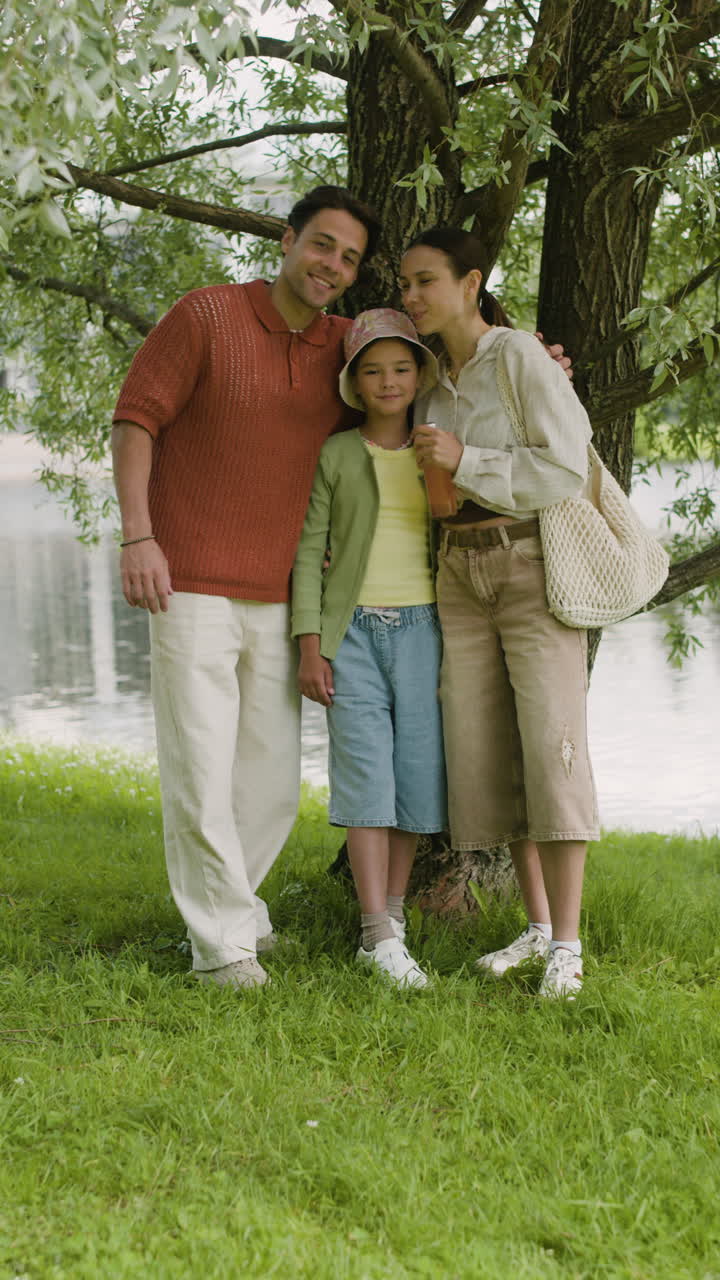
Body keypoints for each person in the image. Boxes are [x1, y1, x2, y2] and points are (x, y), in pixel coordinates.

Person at [111, 186, 381, 990]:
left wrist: (531, 354)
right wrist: (138, 536)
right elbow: (135, 421)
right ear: (289, 238)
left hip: (281, 591)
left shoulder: (346, 348)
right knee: (198, 764)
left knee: (268, 781)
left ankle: (237, 907)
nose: (332, 264)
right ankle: (220, 948)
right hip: (185, 579)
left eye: (349, 257)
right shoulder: (205, 317)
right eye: (322, 244)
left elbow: (421, 373)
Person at [399, 227, 600, 999]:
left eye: (425, 281)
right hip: (459, 572)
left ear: (471, 281)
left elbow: (566, 463)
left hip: (527, 566)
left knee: (552, 744)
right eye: (405, 284)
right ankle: (540, 928)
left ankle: (570, 948)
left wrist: (467, 460)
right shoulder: (430, 376)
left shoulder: (515, 356)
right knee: (491, 751)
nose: (412, 296)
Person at [291, 309, 447, 989]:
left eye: (402, 368)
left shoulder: (438, 447)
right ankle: (373, 933)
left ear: (420, 376)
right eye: (374, 370)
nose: (389, 381)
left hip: (426, 633)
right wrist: (310, 643)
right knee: (366, 781)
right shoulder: (338, 453)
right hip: (350, 633)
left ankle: (392, 920)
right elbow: (306, 549)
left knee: (416, 778)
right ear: (355, 383)